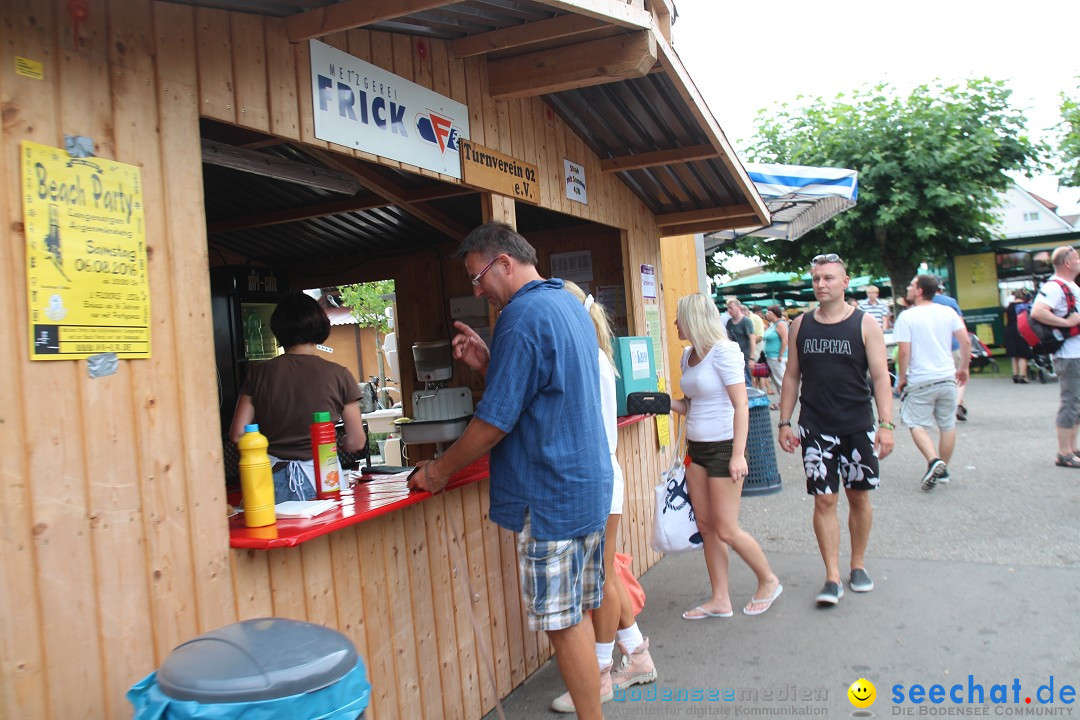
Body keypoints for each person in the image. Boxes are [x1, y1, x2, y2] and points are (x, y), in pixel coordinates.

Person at [409, 222, 612, 720]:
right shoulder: (567, 304)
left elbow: (494, 423)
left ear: (504, 263)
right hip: (586, 485)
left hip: (549, 494)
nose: (475, 290)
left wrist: (437, 471)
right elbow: (542, 388)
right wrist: (490, 363)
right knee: (577, 614)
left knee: (562, 624)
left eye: (478, 277)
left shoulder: (520, 317)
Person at [550, 281, 657, 713]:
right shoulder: (597, 356)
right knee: (605, 573)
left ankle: (600, 675)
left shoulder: (585, 359)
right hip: (604, 476)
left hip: (594, 478)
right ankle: (637, 656)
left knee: (602, 581)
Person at [778, 253, 894, 606]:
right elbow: (792, 376)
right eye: (816, 279)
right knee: (825, 499)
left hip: (857, 424)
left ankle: (857, 565)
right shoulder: (801, 325)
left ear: (845, 282)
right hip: (815, 426)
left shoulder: (864, 324)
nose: (821, 285)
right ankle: (831, 575)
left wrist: (886, 425)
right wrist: (785, 421)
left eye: (828, 278)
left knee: (859, 496)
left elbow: (880, 378)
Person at [672, 294, 782, 620]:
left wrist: (738, 454)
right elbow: (691, 404)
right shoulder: (688, 355)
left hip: (724, 448)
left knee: (726, 529)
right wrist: (661, 402)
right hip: (697, 450)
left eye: (680, 318)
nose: (676, 323)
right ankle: (720, 599)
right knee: (706, 526)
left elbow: (741, 404)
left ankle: (769, 580)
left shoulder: (725, 351)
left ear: (693, 319)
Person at [229, 292, 366, 502]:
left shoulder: (258, 373)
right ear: (320, 325)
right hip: (322, 478)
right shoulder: (339, 374)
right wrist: (342, 442)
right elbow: (357, 442)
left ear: (278, 328)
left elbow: (238, 434)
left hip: (268, 479)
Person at [893, 275, 971, 491]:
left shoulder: (907, 317)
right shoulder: (948, 312)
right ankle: (943, 469)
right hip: (947, 376)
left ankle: (932, 459)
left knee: (914, 421)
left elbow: (904, 350)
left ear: (919, 290)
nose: (908, 288)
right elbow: (965, 340)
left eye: (911, 285)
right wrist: (963, 367)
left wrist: (902, 378)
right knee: (947, 423)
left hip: (921, 378)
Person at [1030, 245, 1080, 469]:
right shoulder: (1055, 286)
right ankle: (1064, 453)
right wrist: (1067, 323)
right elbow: (1038, 311)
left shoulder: (1069, 285)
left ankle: (1072, 448)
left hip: (1074, 353)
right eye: (1077, 258)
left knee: (1076, 403)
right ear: (1068, 263)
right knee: (1070, 402)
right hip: (1069, 355)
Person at [931, 281, 968, 421]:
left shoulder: (922, 304)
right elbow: (961, 325)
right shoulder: (950, 301)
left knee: (942, 378)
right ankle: (957, 403)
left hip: (935, 347)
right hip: (953, 344)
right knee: (958, 376)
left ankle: (948, 404)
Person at [1003, 289, 1034, 383]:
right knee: (1022, 354)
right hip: (1020, 330)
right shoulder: (1025, 307)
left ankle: (1015, 374)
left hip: (1009, 330)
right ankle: (1023, 375)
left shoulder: (1009, 307)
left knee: (1014, 353)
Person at [762, 305, 789, 409]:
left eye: (769, 312)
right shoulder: (772, 325)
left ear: (775, 313)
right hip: (770, 357)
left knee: (781, 381)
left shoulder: (781, 324)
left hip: (777, 357)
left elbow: (785, 340)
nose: (767, 314)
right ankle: (781, 401)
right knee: (777, 382)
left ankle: (783, 403)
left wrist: (780, 355)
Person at [725, 298, 756, 384]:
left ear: (738, 307)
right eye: (728, 308)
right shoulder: (729, 322)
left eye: (731, 308)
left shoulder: (746, 321)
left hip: (745, 356)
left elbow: (752, 340)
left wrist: (751, 358)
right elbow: (729, 338)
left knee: (747, 381)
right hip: (735, 356)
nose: (729, 310)